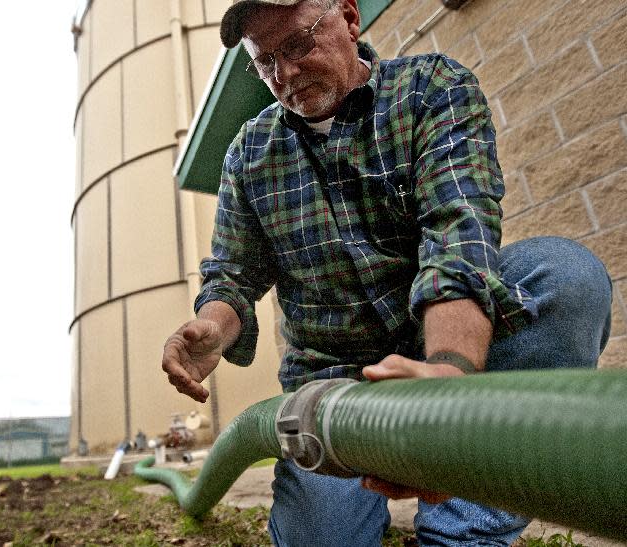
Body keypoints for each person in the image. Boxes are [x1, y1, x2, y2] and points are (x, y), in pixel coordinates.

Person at [161, 0, 613, 545]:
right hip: (330, 387)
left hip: (437, 346)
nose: (284, 75)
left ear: (350, 18)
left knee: (565, 275)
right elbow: (232, 274)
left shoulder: (432, 89)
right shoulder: (249, 154)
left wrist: (449, 378)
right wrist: (213, 324)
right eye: (266, 61)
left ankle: (463, 532)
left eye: (299, 45)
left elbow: (458, 240)